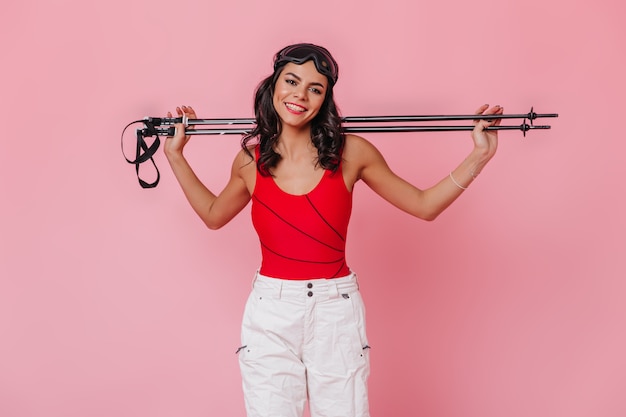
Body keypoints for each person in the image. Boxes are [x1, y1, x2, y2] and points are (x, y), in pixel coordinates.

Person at [163, 43, 502, 417]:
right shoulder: (250, 160)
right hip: (270, 311)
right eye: (291, 81)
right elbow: (213, 215)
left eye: (315, 88)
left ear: (325, 100)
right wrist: (175, 156)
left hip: (334, 311)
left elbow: (424, 206)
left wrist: (479, 155)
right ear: (273, 85)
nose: (300, 95)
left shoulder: (352, 153)